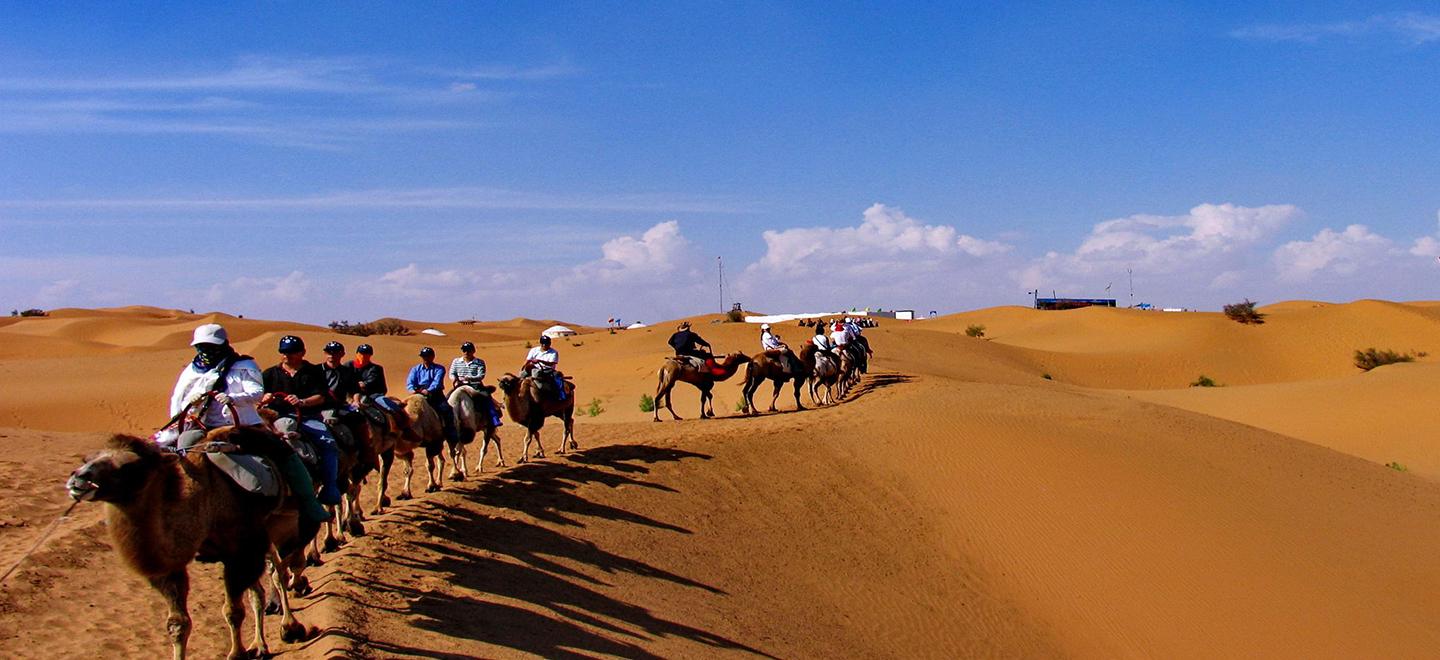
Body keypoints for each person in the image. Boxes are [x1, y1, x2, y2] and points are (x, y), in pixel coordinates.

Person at [161, 324, 330, 523]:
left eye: (210, 346)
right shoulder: (192, 370)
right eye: (202, 346)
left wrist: (233, 398)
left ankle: (309, 502)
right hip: (202, 427)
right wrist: (191, 405)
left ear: (222, 344)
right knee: (169, 452)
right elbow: (177, 399)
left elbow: (256, 392)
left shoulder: (243, 366)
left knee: (284, 452)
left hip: (242, 426)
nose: (205, 351)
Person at [260, 335, 343, 508]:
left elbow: (321, 396)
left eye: (292, 352)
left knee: (328, 444)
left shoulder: (314, 372)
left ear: (302, 353)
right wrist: (264, 398)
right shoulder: (269, 373)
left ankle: (330, 487)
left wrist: (302, 402)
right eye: (284, 352)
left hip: (308, 417)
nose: (287, 355)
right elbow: (257, 395)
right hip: (276, 418)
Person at [407, 347, 458, 444]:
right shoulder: (415, 369)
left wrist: (428, 390)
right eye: (424, 356)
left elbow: (436, 382)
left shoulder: (439, 368)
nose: (426, 358)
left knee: (446, 410)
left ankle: (450, 434)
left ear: (433, 357)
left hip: (435, 395)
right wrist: (412, 390)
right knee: (406, 411)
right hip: (418, 394)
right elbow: (410, 382)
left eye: (428, 356)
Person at [452, 341, 503, 427]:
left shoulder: (479, 362)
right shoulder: (456, 361)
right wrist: (454, 378)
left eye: (468, 350)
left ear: (473, 351)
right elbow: (452, 373)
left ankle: (494, 418)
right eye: (464, 350)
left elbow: (481, 375)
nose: (466, 352)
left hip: (475, 385)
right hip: (460, 385)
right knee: (449, 399)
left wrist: (469, 378)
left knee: (486, 397)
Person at [521, 335, 565, 401]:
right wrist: (523, 368)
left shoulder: (553, 352)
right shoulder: (534, 350)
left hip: (547, 370)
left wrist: (540, 361)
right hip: (533, 367)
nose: (544, 345)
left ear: (549, 344)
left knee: (542, 380)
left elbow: (551, 363)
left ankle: (558, 397)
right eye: (543, 343)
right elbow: (527, 360)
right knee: (521, 376)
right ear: (541, 343)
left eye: (547, 343)